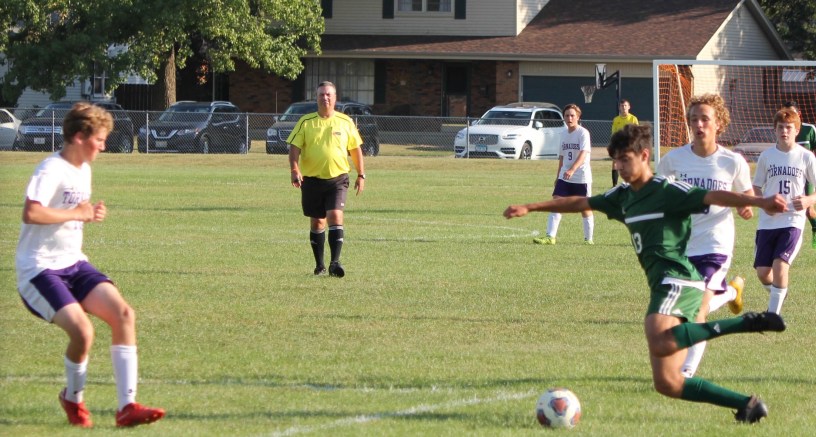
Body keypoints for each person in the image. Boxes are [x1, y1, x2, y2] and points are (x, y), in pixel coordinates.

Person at [504, 123, 787, 423]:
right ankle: (747, 405)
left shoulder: (668, 191)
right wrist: (530, 207)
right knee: (668, 382)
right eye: (616, 160)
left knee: (658, 336)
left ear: (644, 156)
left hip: (679, 279)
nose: (619, 167)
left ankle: (744, 323)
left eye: (625, 159)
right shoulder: (623, 197)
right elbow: (581, 202)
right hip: (662, 283)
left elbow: (714, 196)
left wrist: (760, 201)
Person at [15, 102, 165, 428]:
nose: (103, 146)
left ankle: (127, 407)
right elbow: (32, 212)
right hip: (39, 270)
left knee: (124, 314)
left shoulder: (83, 168)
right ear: (80, 137)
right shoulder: (50, 169)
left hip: (74, 263)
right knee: (83, 332)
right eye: (99, 139)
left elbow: (76, 207)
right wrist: (77, 213)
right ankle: (73, 398)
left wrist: (89, 212)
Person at [656, 94, 752, 378]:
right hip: (684, 246)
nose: (699, 125)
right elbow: (659, 193)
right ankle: (731, 291)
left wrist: (745, 205)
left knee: (698, 308)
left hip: (716, 244)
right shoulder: (674, 160)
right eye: (694, 119)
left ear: (718, 123)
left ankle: (686, 372)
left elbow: (747, 193)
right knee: (685, 309)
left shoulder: (732, 161)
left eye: (705, 119)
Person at [288, 81, 366, 277]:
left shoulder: (345, 122)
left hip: (338, 179)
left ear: (335, 98)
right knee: (317, 222)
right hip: (312, 180)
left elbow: (355, 149)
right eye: (321, 94)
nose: (325, 98)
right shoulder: (306, 122)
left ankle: (335, 263)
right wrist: (295, 169)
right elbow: (294, 148)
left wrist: (361, 174)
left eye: (328, 94)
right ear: (316, 98)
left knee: (335, 216)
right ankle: (320, 265)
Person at [752, 107, 816, 314]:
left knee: (780, 265)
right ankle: (779, 292)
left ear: (797, 130)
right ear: (775, 129)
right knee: (763, 272)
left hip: (792, 220)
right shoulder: (766, 156)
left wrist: (808, 200)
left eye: (789, 128)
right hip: (768, 221)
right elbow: (756, 186)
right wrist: (764, 203)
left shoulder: (806, 157)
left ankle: (773, 315)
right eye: (780, 127)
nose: (784, 131)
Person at [533, 103, 594, 245]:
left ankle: (588, 239)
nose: (569, 118)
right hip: (564, 176)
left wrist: (572, 170)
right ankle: (550, 237)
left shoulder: (583, 133)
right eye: (567, 115)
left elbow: (583, 154)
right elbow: (562, 157)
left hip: (581, 177)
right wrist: (558, 175)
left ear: (578, 117)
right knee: (556, 202)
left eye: (572, 115)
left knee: (584, 208)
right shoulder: (563, 134)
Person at [780, 101, 816, 248]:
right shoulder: (783, 131)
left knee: (808, 209)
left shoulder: (809, 130)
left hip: (808, 176)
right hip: (791, 175)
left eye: (791, 113)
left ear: (799, 114)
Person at [610, 99, 639, 186]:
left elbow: (637, 133)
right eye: (622, 106)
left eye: (625, 105)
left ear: (629, 107)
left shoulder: (633, 118)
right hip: (619, 145)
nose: (624, 107)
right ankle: (614, 185)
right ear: (619, 108)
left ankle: (631, 182)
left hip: (630, 145)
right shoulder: (616, 119)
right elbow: (614, 133)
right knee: (615, 163)